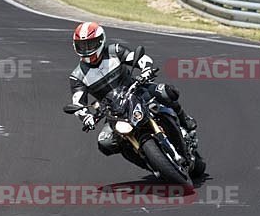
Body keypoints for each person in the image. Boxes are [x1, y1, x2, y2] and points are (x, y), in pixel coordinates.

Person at [68, 21, 196, 156]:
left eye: (90, 44)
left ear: (101, 41)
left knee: (167, 92)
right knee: (105, 143)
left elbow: (139, 58)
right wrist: (87, 117)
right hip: (114, 112)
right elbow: (77, 103)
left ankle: (185, 120)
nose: (87, 49)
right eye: (82, 45)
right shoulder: (77, 76)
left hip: (137, 91)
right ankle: (147, 161)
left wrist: (146, 69)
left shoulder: (114, 51)